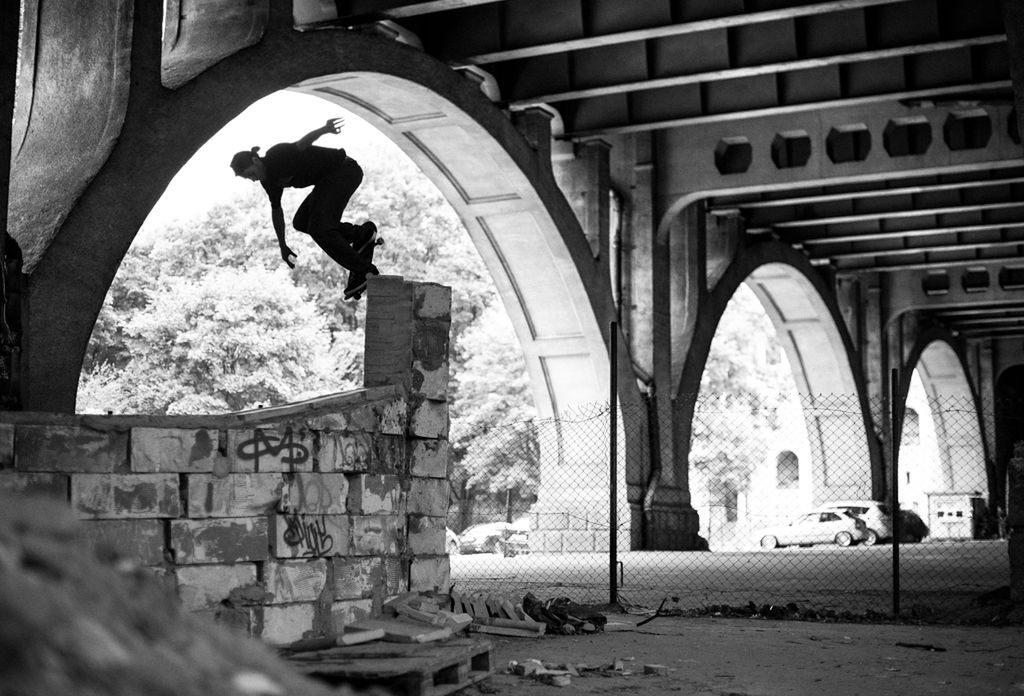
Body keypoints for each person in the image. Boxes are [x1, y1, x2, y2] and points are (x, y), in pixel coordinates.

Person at [230, 117, 379, 298]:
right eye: (249, 178)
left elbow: (302, 143)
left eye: (251, 174)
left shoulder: (276, 155)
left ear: (255, 161)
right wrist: (282, 245)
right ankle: (360, 234)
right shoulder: (269, 182)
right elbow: (276, 211)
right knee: (301, 222)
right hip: (327, 181)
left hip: (344, 171)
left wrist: (325, 129)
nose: (254, 179)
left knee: (320, 229)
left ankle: (365, 271)